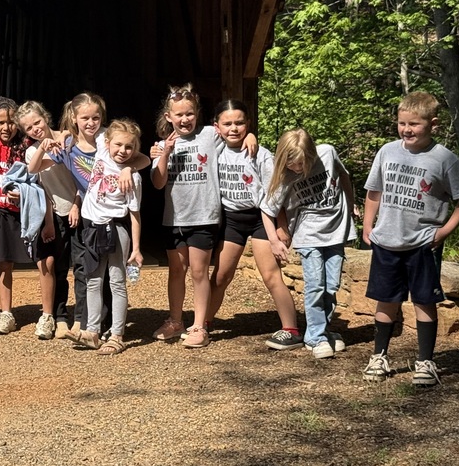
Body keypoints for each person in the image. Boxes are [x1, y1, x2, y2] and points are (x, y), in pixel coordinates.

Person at [361, 92, 459, 386]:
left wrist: (443, 231)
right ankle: (379, 356)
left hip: (422, 244)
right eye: (402, 123)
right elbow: (374, 192)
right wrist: (368, 225)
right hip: (386, 241)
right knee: (385, 301)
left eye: (414, 124)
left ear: (433, 124)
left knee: (423, 301)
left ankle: (425, 361)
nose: (407, 129)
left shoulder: (445, 159)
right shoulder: (387, 152)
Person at [201, 101, 300, 349]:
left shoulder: (260, 154)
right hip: (231, 220)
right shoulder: (214, 150)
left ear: (248, 124)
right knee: (221, 276)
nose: (234, 128)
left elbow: (275, 193)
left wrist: (281, 226)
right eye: (227, 123)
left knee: (270, 274)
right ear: (217, 127)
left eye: (240, 123)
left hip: (260, 218)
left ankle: (291, 329)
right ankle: (203, 324)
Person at [262, 128, 356, 359]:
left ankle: (323, 331)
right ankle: (314, 338)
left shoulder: (328, 154)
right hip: (307, 235)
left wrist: (351, 205)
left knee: (331, 287)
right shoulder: (284, 176)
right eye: (291, 164)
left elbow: (344, 176)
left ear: (311, 154)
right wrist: (273, 240)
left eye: (301, 163)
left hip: (335, 232)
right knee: (315, 286)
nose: (296, 168)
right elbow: (267, 209)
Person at [150, 84, 224, 348]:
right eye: (179, 115)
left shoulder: (210, 135)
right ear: (169, 117)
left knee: (199, 272)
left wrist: (249, 137)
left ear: (198, 113)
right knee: (176, 271)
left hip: (203, 215)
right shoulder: (161, 145)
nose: (185, 120)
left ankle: (199, 325)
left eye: (189, 114)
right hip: (175, 218)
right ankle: (175, 320)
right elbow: (158, 183)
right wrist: (164, 154)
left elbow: (234, 135)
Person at [0, 96, 53, 335]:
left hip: (31, 210)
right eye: (0, 122)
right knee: (4, 263)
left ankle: (47, 315)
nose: (6, 127)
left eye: (11, 122)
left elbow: (42, 174)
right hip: (2, 213)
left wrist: (26, 195)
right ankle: (6, 313)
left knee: (45, 262)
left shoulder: (29, 145)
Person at [74, 119, 144, 354]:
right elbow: (83, 125)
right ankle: (92, 331)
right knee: (93, 280)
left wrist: (136, 249)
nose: (122, 151)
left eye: (129, 147)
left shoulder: (132, 179)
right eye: (118, 145)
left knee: (116, 282)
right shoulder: (103, 151)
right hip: (93, 229)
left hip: (115, 231)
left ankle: (117, 335)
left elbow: (135, 215)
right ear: (107, 143)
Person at [18, 100, 79, 339]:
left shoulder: (69, 140)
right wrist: (43, 147)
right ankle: (61, 316)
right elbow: (33, 171)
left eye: (37, 122)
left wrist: (76, 203)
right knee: (59, 267)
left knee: (84, 268)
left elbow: (83, 175)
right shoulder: (32, 151)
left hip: (79, 207)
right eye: (28, 128)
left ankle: (84, 317)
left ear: (46, 118)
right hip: (56, 211)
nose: (35, 129)